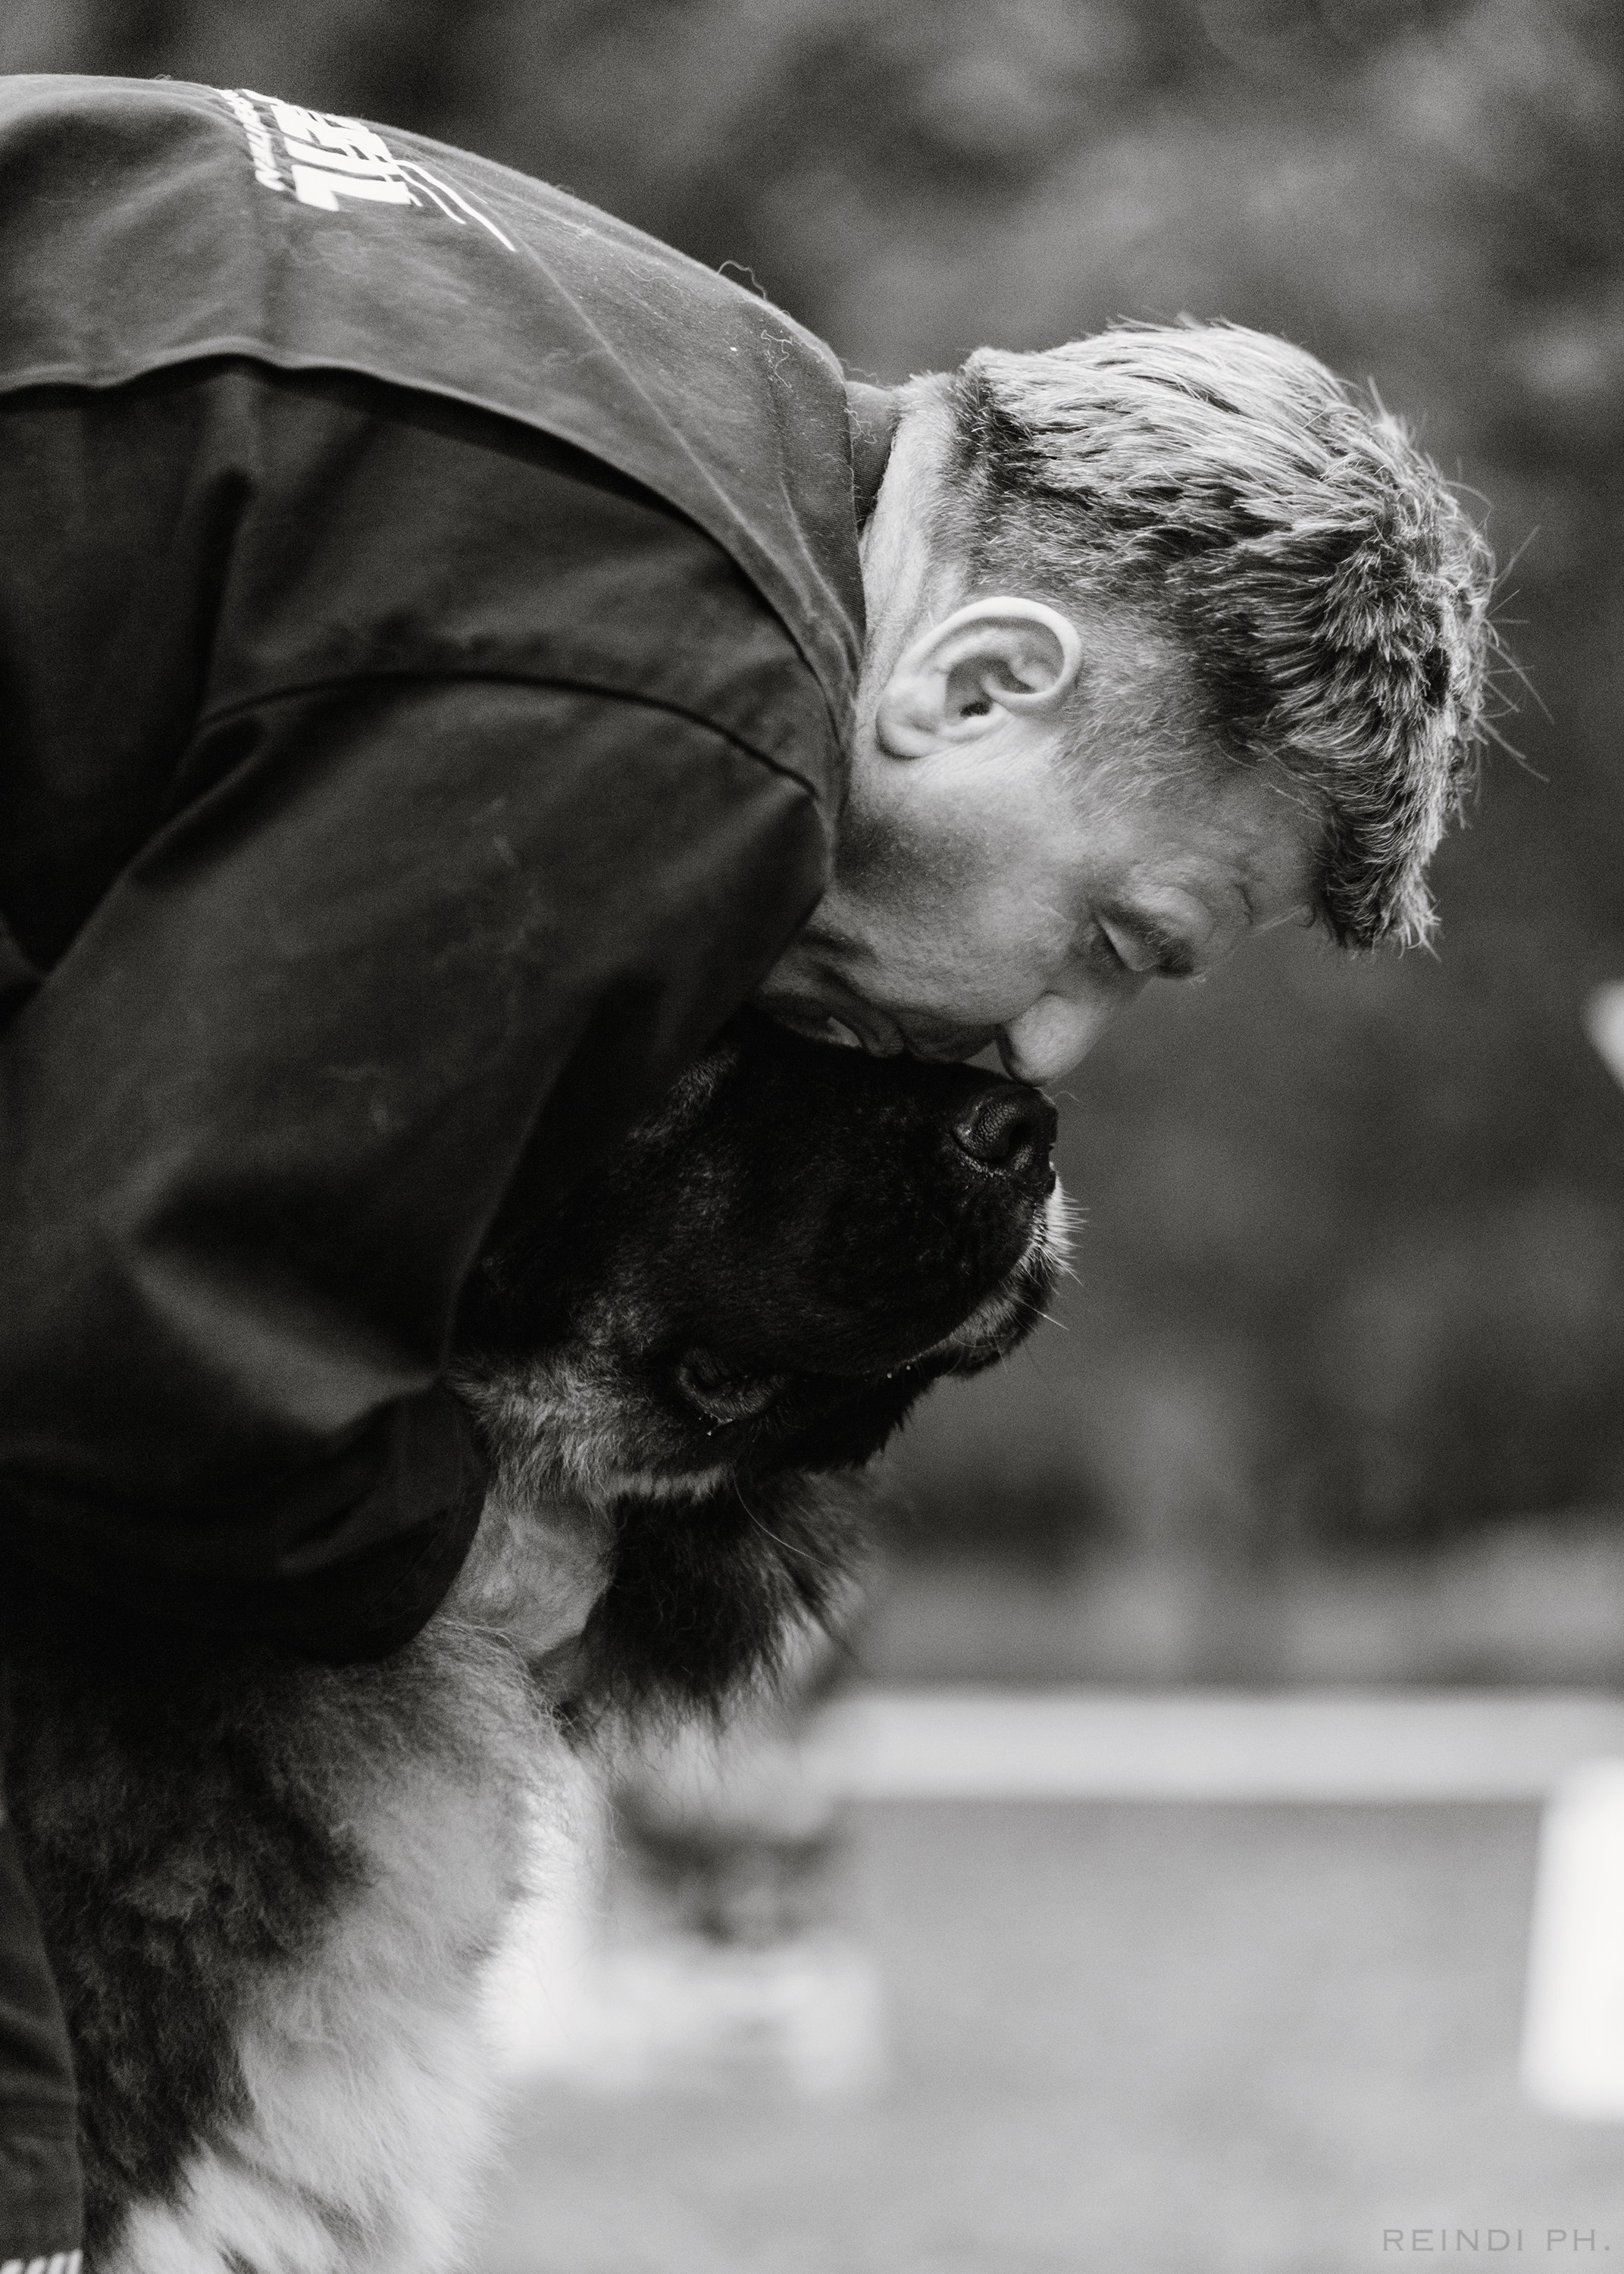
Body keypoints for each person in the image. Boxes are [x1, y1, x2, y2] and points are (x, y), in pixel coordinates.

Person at [0, 72, 1494, 2264]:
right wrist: (509, 1568)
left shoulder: (639, 417)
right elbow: (124, 1359)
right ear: (979, 680)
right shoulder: (680, 699)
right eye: (1114, 937)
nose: (1043, 1032)